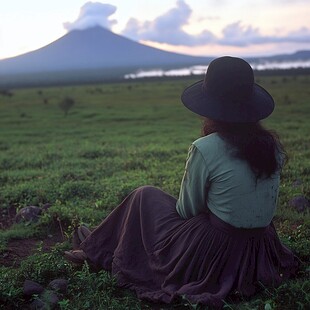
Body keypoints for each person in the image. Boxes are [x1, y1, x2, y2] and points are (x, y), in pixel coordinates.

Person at [65, 56, 299, 308]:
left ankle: (96, 250)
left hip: (216, 248)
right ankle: (97, 247)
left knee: (144, 195)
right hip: (261, 247)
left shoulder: (206, 148)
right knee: (149, 201)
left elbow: (187, 210)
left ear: (213, 107)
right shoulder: (271, 146)